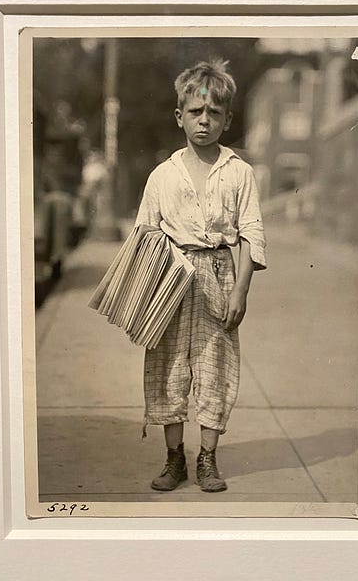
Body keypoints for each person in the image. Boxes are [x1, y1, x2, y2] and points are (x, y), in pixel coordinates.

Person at [135, 59, 266, 493]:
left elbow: (250, 232)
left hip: (219, 273)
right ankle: (175, 459)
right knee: (168, 367)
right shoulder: (163, 175)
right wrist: (142, 295)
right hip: (169, 278)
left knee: (215, 368)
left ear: (228, 118)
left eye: (214, 113)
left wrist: (241, 290)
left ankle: (208, 457)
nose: (204, 121)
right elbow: (145, 234)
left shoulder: (239, 172)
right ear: (180, 116)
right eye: (195, 112)